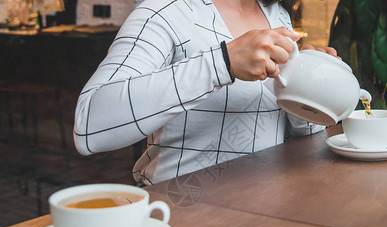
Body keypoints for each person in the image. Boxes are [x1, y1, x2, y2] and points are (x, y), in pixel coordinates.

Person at [74, 0, 339, 185]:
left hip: (266, 210)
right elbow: (89, 128)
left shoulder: (277, 14)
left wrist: (308, 80)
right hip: (180, 211)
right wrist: (222, 62)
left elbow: (296, 133)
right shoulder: (163, 11)